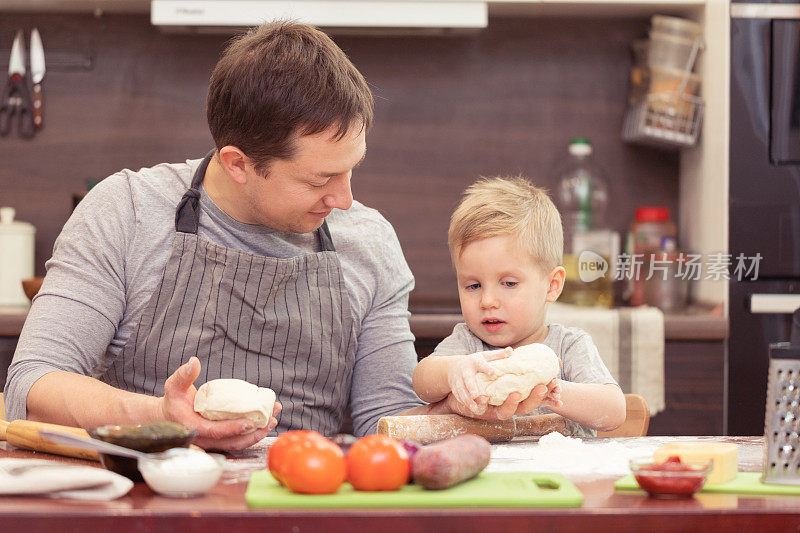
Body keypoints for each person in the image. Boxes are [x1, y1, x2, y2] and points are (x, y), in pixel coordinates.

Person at [3, 21, 503, 451]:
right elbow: (33, 383)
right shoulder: (127, 212)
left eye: (351, 170)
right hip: (150, 495)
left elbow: (386, 422)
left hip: (307, 496)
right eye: (318, 180)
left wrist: (466, 404)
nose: (345, 200)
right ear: (238, 164)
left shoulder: (368, 242)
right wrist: (160, 416)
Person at [412, 177, 626, 436]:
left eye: (509, 283)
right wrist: (453, 371)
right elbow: (422, 383)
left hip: (562, 469)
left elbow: (613, 411)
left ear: (552, 285)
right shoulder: (469, 347)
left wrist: (551, 389)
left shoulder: (569, 345)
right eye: (473, 286)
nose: (487, 301)